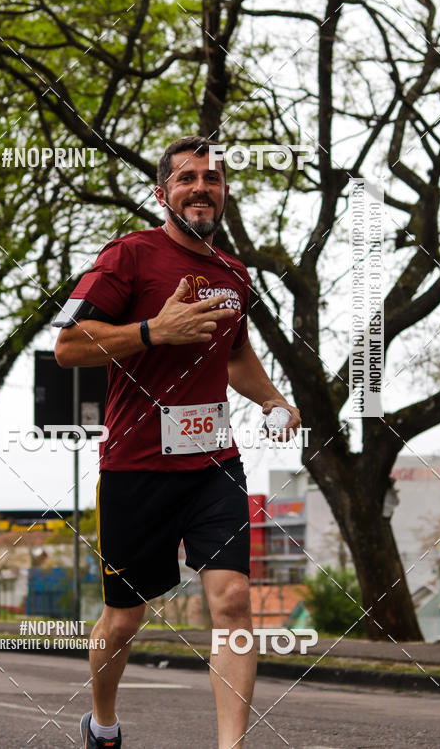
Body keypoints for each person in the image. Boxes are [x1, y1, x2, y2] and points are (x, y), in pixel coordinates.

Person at [54, 135, 301, 749]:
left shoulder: (234, 274)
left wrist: (273, 399)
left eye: (212, 180)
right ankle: (102, 723)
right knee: (123, 619)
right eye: (186, 178)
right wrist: (153, 330)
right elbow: (68, 346)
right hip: (136, 467)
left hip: (215, 463)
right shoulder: (129, 256)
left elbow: (235, 355)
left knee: (234, 599)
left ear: (224, 194)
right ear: (162, 193)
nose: (200, 189)